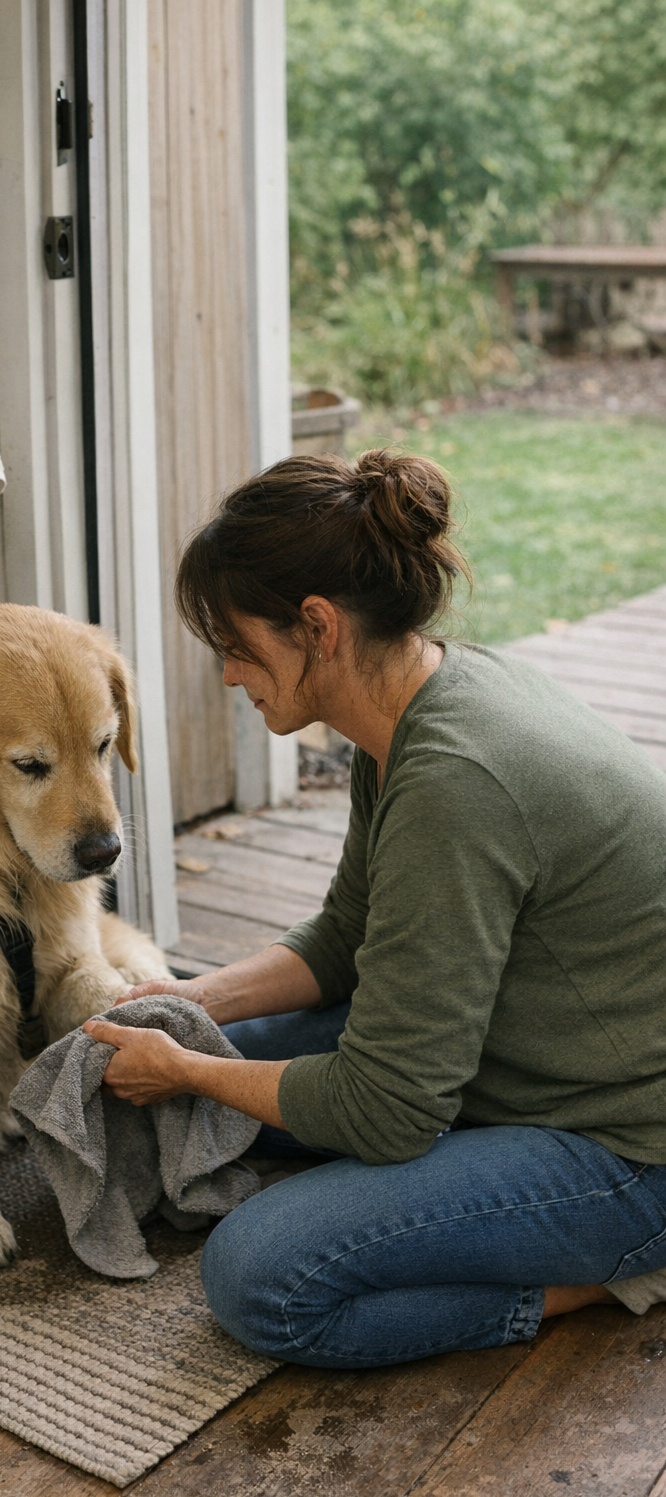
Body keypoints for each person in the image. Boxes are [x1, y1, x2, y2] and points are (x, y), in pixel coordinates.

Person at [83, 449, 666, 1369]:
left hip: (629, 1151)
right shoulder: (412, 706)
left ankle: (605, 1276)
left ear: (316, 627)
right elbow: (347, 937)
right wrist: (197, 1007)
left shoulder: (455, 783)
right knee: (197, 1069)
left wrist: (192, 1073)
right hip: (515, 1060)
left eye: (238, 646)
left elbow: (388, 1110)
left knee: (260, 1276)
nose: (231, 675)